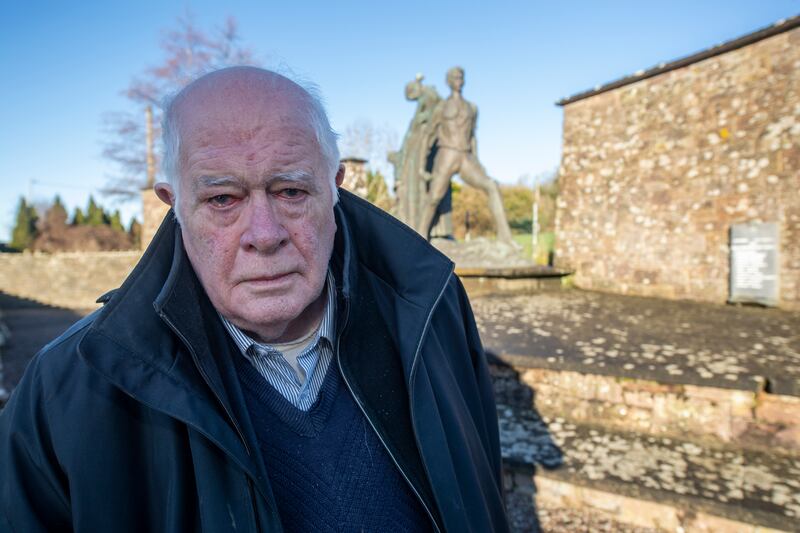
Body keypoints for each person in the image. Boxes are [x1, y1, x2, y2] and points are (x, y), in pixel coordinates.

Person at [0, 67, 508, 532]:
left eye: (290, 191)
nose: (264, 235)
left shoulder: (433, 311)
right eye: (223, 199)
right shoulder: (68, 390)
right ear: (174, 205)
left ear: (333, 188)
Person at [416, 67, 513, 243]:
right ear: (448, 81)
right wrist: (422, 167)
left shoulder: (472, 108)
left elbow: (473, 136)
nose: (458, 80)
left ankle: (505, 237)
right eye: (454, 77)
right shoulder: (441, 107)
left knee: (491, 185)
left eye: (461, 77)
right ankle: (421, 238)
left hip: (465, 156)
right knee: (434, 197)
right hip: (447, 153)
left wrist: (477, 160)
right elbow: (428, 136)